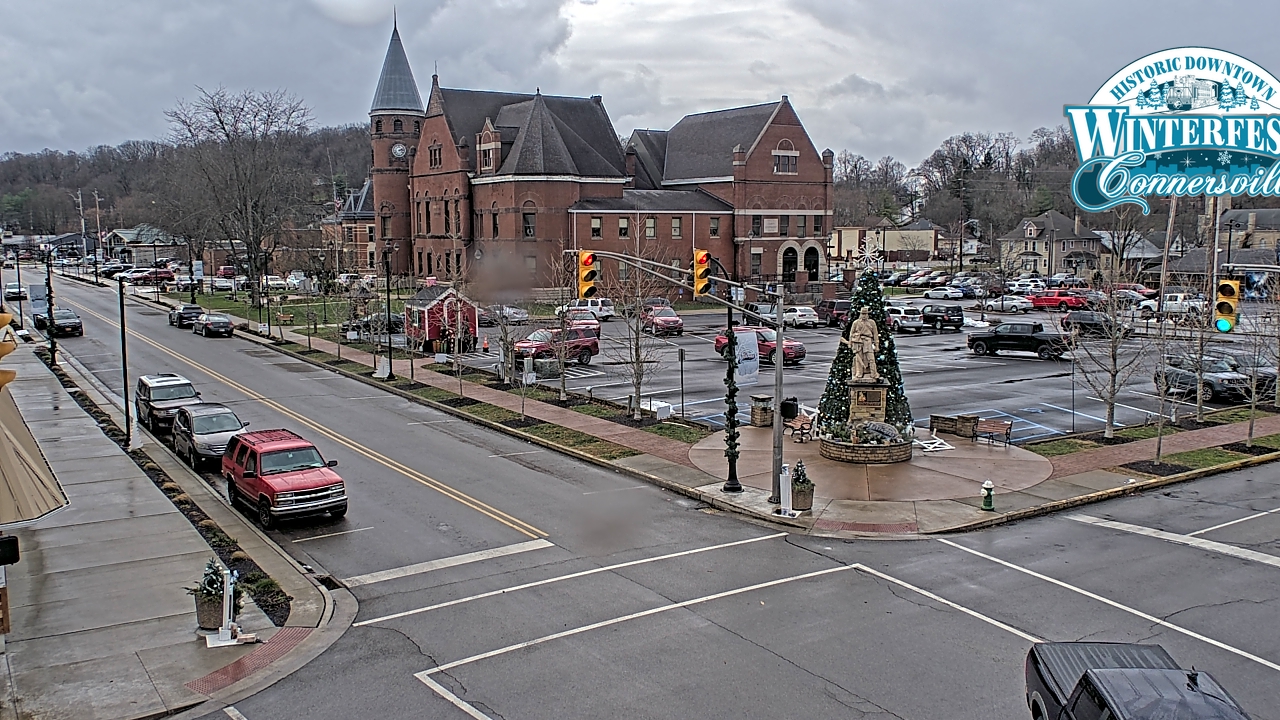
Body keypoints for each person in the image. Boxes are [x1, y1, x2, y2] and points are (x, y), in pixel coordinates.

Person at [847, 307, 880, 382]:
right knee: (859, 359)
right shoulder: (856, 322)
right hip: (858, 342)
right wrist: (850, 343)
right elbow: (851, 333)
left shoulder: (872, 322)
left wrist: (877, 345)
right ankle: (859, 373)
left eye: (865, 314)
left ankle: (873, 373)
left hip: (868, 341)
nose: (864, 315)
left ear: (868, 314)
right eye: (862, 314)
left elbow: (875, 334)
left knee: (871, 358)